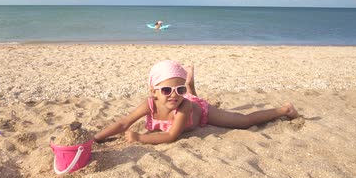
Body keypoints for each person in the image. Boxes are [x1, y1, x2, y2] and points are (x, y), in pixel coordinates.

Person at [94, 60, 299, 145]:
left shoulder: (184, 105)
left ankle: (284, 109)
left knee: (243, 121)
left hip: (200, 111)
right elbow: (123, 123)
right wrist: (96, 138)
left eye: (179, 89)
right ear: (153, 91)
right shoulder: (149, 104)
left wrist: (140, 138)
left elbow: (172, 135)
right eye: (166, 90)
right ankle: (190, 85)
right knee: (190, 95)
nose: (173, 95)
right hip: (189, 99)